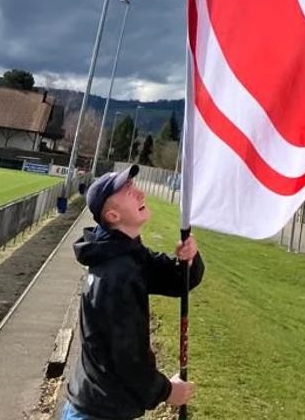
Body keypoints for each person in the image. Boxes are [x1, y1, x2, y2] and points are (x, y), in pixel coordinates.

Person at [64, 164, 204, 420]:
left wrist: (189, 259)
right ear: (113, 216)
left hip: (99, 404)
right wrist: (167, 391)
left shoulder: (124, 253)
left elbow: (176, 280)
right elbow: (128, 360)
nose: (140, 193)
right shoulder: (116, 274)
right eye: (128, 191)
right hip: (99, 412)